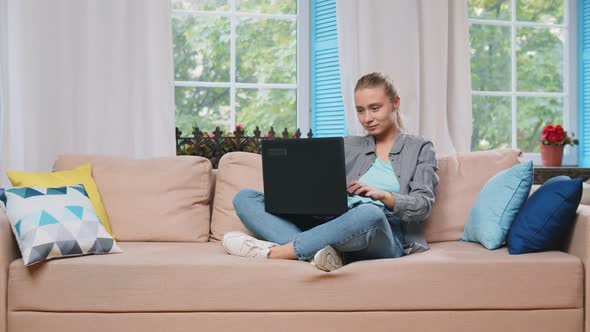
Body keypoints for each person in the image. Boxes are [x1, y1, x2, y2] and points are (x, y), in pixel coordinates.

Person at [222, 72, 439, 272]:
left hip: (382, 231)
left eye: (375, 108)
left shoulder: (420, 148)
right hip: (334, 223)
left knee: (370, 212)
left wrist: (383, 195)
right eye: (360, 110)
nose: (367, 119)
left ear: (395, 103)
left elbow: (423, 205)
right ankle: (321, 254)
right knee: (245, 198)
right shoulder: (348, 145)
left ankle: (274, 253)